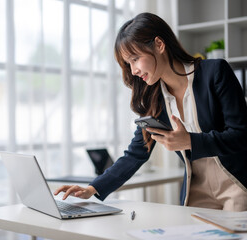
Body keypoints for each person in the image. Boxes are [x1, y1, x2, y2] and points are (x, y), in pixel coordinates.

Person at [54, 12, 247, 211]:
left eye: (135, 59)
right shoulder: (154, 98)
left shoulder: (214, 72)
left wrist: (191, 141)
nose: (133, 70)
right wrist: (93, 188)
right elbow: (137, 153)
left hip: (237, 184)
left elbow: (241, 135)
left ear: (159, 44)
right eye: (128, 64)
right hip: (197, 189)